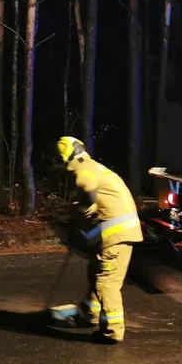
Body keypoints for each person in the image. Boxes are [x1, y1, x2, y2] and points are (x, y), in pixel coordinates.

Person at [56, 136, 142, 344]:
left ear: (68, 157)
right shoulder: (95, 166)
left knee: (106, 283)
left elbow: (86, 186)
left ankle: (112, 331)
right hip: (113, 236)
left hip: (116, 236)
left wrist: (87, 206)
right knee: (96, 274)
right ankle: (89, 315)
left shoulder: (84, 171)